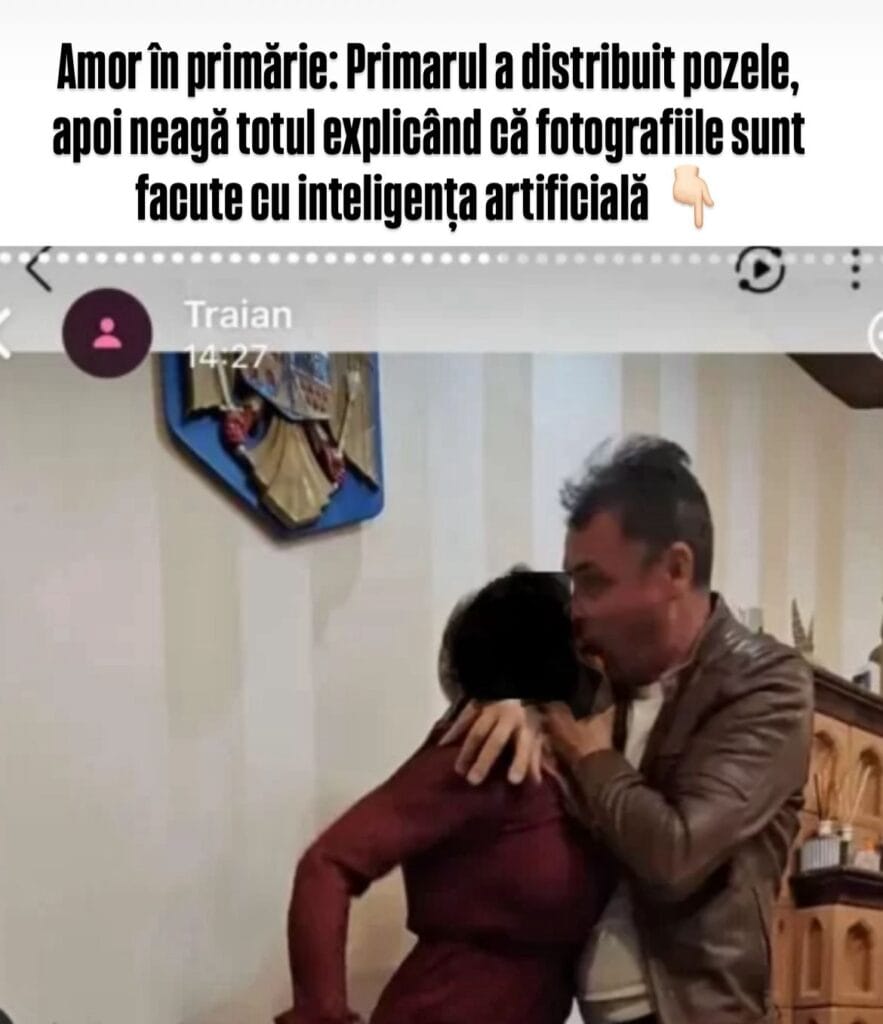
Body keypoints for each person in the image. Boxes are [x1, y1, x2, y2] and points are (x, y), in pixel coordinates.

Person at [442, 435, 814, 1024]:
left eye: (593, 582)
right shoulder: (593, 668)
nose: (576, 608)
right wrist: (512, 700)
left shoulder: (767, 683)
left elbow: (674, 856)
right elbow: (466, 696)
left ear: (675, 569)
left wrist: (588, 756)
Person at [275, 569, 611, 1024]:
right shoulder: (485, 757)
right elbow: (327, 863)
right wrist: (321, 1014)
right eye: (585, 646)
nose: (601, 659)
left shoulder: (579, 764)